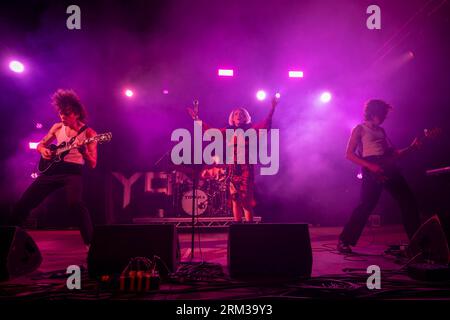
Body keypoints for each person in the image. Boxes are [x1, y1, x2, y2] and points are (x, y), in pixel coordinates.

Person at [10, 89, 97, 247]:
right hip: (53, 170)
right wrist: (43, 150)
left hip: (73, 172)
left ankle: (91, 245)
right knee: (25, 202)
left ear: (77, 114)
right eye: (61, 113)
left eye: (67, 114)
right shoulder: (57, 127)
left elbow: (92, 164)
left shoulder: (89, 133)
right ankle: (10, 239)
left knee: (75, 204)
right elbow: (41, 144)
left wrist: (83, 152)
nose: (63, 117)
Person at [338, 99, 421, 253]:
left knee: (408, 200)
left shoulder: (382, 131)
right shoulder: (359, 129)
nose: (384, 117)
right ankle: (344, 241)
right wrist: (370, 166)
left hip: (388, 167)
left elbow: (393, 155)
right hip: (371, 169)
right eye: (382, 114)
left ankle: (417, 242)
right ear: (373, 113)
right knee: (366, 205)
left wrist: (412, 148)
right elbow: (349, 154)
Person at [187, 98, 278, 222]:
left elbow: (265, 124)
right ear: (233, 118)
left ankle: (249, 230)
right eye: (236, 114)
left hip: (246, 169)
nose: (239, 116)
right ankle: (238, 229)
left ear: (246, 117)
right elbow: (211, 132)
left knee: (246, 202)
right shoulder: (228, 131)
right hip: (232, 169)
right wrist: (196, 119)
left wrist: (272, 109)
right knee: (235, 199)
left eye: (241, 114)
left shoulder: (251, 130)